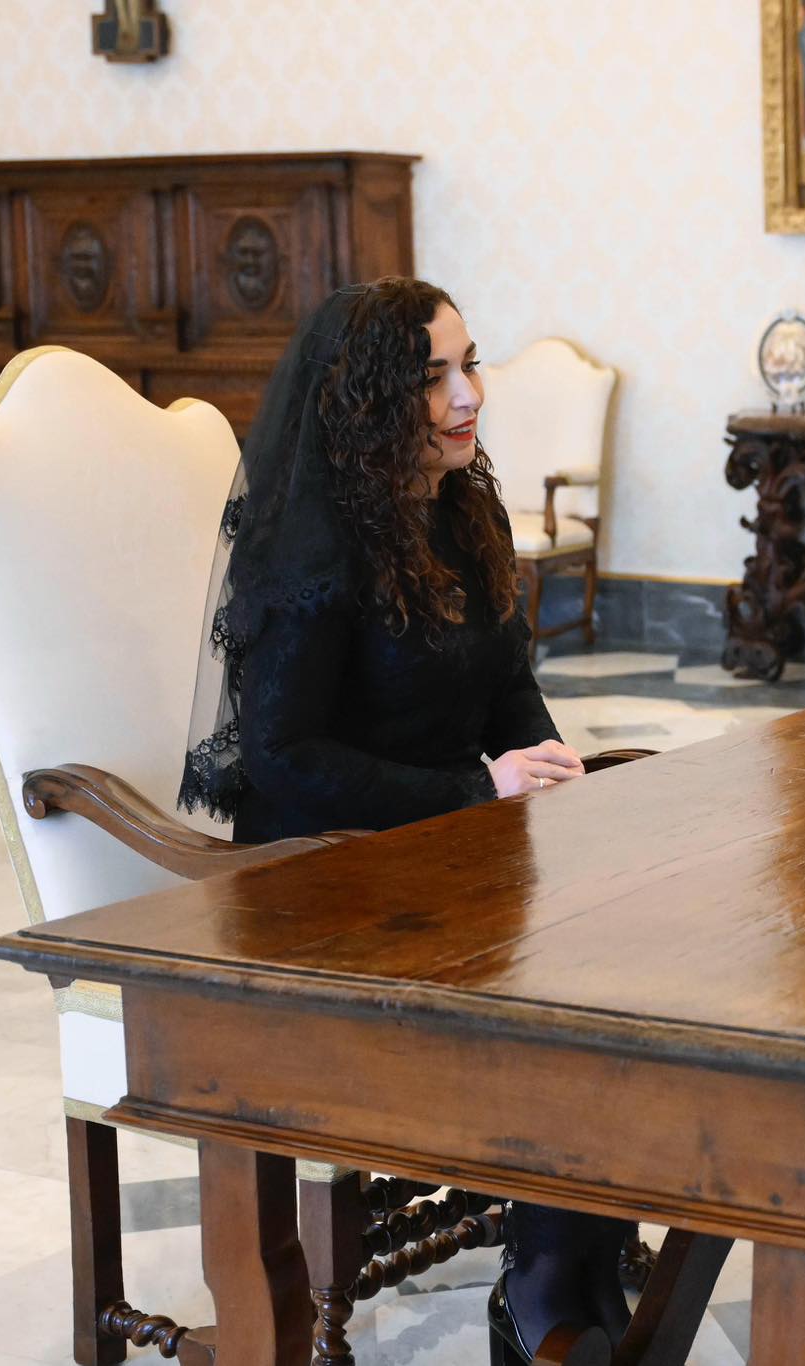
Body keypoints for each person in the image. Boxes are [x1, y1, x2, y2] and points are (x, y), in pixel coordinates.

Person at [176, 278, 628, 1364]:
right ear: (370, 400)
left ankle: (569, 1270)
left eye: (469, 363)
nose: (470, 395)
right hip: (322, 889)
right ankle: (549, 1296)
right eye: (433, 378)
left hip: (451, 858)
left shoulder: (462, 504)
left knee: (635, 963)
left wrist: (552, 770)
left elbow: (505, 687)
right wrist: (477, 790)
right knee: (571, 1007)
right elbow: (285, 759)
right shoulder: (314, 548)